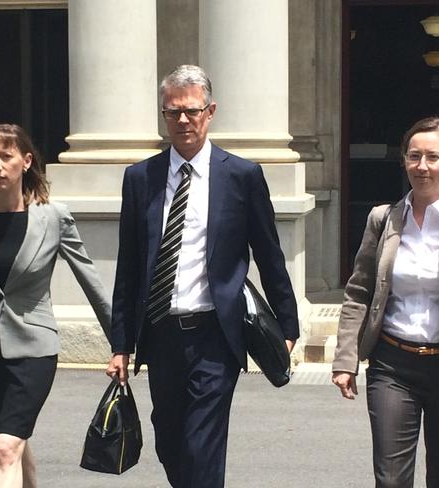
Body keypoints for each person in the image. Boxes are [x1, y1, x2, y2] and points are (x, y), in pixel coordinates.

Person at [106, 64, 299, 488]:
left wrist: (288, 324)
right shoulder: (140, 179)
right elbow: (129, 267)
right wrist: (121, 343)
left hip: (216, 334)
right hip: (161, 336)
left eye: (191, 111)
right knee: (171, 445)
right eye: (172, 112)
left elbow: (268, 252)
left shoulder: (242, 176)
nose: (182, 121)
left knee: (202, 447)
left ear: (210, 112)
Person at [332, 116, 439, 487]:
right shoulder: (383, 218)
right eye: (414, 156)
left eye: (433, 157)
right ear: (404, 161)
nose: (422, 166)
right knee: (391, 479)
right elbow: (359, 291)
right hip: (392, 364)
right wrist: (346, 357)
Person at [0, 124, 111, 488]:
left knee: (5, 449)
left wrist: (122, 342)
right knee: (13, 442)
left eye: (6, 156)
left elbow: (90, 282)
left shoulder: (53, 217)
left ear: (26, 161)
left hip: (34, 349)